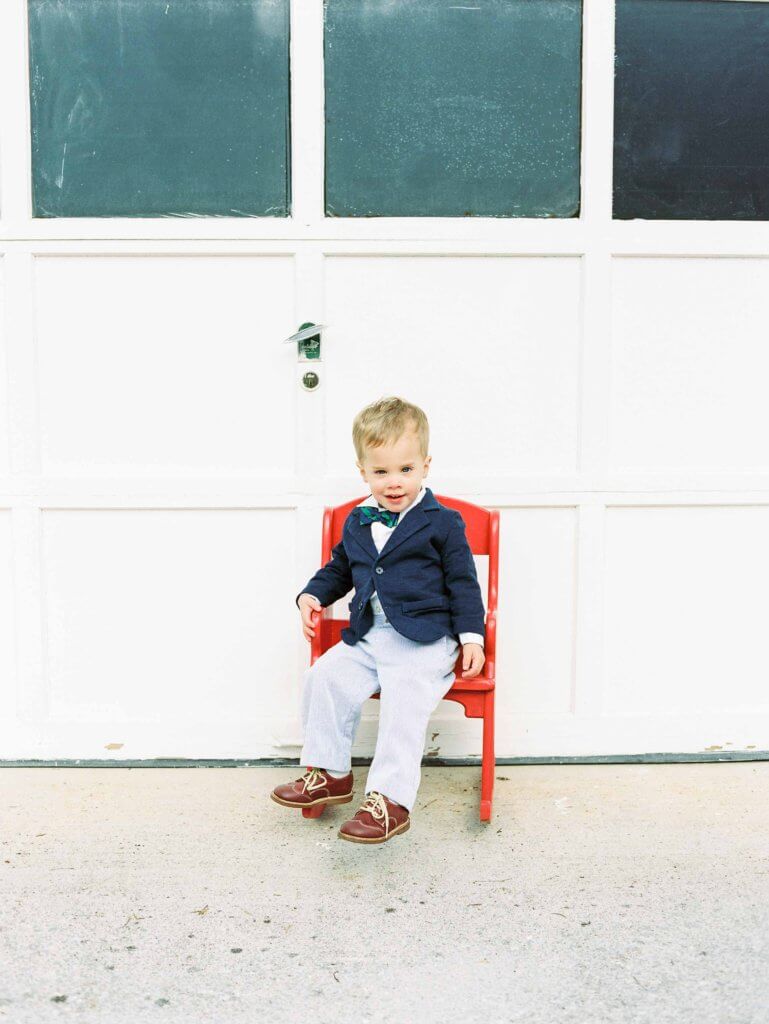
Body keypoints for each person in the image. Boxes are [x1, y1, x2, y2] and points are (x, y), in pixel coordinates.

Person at [270, 396, 486, 844]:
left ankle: (389, 800)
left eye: (405, 470)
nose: (393, 483)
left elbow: (464, 583)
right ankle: (329, 772)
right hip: (371, 635)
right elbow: (341, 568)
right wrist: (312, 594)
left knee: (405, 695)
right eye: (381, 471)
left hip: (427, 638)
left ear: (426, 466)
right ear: (362, 471)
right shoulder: (357, 520)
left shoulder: (443, 522)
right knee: (323, 676)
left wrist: (471, 637)